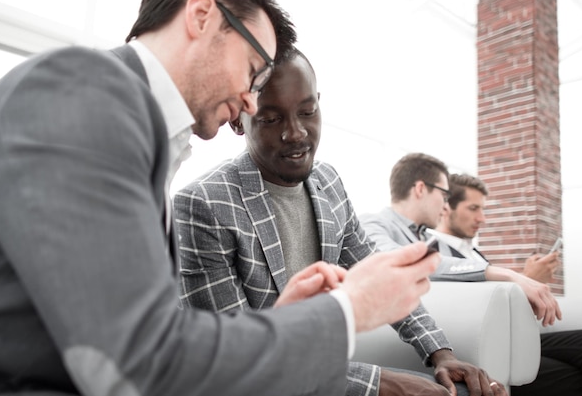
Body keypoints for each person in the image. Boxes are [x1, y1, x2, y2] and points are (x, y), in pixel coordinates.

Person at [0, 0, 443, 395]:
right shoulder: (84, 90)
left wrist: (280, 320)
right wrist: (349, 309)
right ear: (202, 16)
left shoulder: (130, 125)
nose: (253, 103)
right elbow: (142, 362)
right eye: (255, 72)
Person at [174, 48, 507, 396]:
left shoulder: (328, 183)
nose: (296, 133)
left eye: (307, 112)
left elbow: (380, 272)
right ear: (238, 119)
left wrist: (441, 354)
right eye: (271, 119)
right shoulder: (203, 206)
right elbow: (240, 360)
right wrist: (381, 384)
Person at [359, 152, 561, 327]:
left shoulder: (429, 238)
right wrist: (508, 275)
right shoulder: (373, 224)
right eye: (444, 195)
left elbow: (466, 284)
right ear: (421, 189)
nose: (446, 206)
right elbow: (392, 259)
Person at [431, 173, 582, 396]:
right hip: (484, 342)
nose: (482, 218)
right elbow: (472, 304)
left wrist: (529, 281)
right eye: (473, 208)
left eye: (483, 210)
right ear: (446, 207)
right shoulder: (435, 253)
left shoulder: (473, 253)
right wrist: (525, 277)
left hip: (511, 336)